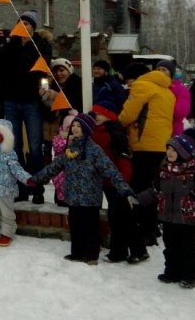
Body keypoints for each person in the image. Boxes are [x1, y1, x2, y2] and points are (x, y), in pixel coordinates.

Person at [30, 113, 136, 264]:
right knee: (75, 225)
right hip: (73, 196)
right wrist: (36, 179)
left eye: (79, 126)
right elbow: (54, 167)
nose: (75, 128)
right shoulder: (69, 150)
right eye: (73, 125)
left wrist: (122, 186)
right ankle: (77, 252)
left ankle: (91, 255)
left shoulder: (95, 150)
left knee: (90, 227)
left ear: (86, 129)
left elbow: (109, 169)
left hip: (90, 198)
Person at [137, 134, 195, 288]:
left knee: (189, 248)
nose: (170, 153)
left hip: (187, 217)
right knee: (170, 246)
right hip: (167, 216)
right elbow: (155, 191)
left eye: (174, 150)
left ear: (184, 153)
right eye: (168, 149)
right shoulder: (163, 171)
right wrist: (138, 199)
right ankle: (172, 272)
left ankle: (190, 275)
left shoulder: (194, 173)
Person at [0, 11, 53, 203]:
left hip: (31, 101)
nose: (23, 26)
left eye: (27, 23)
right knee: (14, 146)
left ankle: (37, 188)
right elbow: (0, 66)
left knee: (34, 146)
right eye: (20, 23)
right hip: (11, 100)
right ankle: (21, 187)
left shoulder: (41, 44)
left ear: (34, 26)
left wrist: (26, 44)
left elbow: (39, 65)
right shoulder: (10, 44)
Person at [118, 62, 174, 247]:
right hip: (162, 144)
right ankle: (154, 226)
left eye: (128, 81)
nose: (128, 85)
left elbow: (128, 115)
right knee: (153, 186)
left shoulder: (141, 86)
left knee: (140, 187)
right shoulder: (166, 90)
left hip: (145, 144)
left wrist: (116, 122)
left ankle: (146, 229)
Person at [90, 104, 143, 264]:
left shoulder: (115, 133)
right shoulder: (93, 132)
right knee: (115, 217)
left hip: (118, 181)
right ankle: (118, 251)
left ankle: (138, 250)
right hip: (105, 182)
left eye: (100, 113)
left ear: (109, 115)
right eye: (95, 113)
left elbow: (124, 158)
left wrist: (123, 181)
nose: (96, 116)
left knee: (125, 217)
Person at [49, 109, 78, 207]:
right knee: (60, 184)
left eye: (74, 127)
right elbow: (58, 146)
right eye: (69, 127)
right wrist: (69, 142)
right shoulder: (59, 137)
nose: (71, 130)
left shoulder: (78, 138)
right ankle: (60, 200)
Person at [155, 59, 191, 135]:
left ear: (171, 73)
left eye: (164, 70)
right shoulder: (152, 86)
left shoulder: (181, 90)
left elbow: (180, 113)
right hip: (154, 130)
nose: (160, 72)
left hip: (173, 130)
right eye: (158, 69)